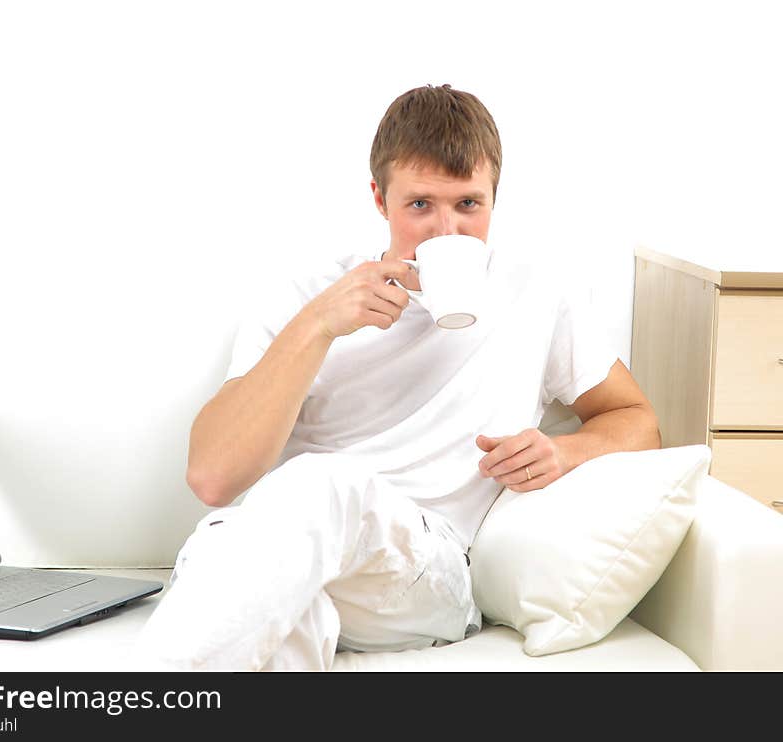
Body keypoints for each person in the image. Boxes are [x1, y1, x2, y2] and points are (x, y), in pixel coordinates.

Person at [134, 83, 661, 671]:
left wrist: (568, 452)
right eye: (420, 206)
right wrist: (319, 326)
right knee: (277, 611)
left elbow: (637, 419)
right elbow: (212, 476)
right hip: (282, 558)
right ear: (380, 200)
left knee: (319, 484)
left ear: (494, 199)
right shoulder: (307, 297)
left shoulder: (536, 294)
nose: (447, 232)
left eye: (468, 205)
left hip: (424, 570)